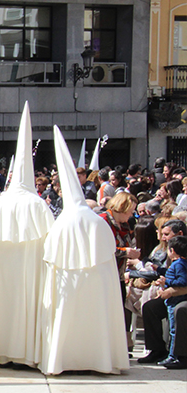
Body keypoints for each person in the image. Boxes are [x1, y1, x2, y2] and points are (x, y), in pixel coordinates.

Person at [39, 127, 129, 375]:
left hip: (67, 280)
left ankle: (62, 360)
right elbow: (109, 252)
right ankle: (100, 360)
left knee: (68, 321)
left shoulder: (61, 222)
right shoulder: (97, 220)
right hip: (97, 281)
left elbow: (49, 254)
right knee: (96, 320)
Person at [0, 103, 54, 368]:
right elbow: (51, 238)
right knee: (28, 307)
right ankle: (28, 353)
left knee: (4, 305)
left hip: (2, 266)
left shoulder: (0, 202)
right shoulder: (38, 204)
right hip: (31, 267)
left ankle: (3, 352)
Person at [100, 191, 140, 352]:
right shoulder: (103, 221)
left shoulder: (125, 224)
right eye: (130, 210)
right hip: (106, 273)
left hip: (120, 274)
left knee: (120, 309)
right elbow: (101, 247)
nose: (132, 214)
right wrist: (125, 252)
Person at [152, 235, 187, 368]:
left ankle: (173, 355)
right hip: (171, 299)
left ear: (172, 250)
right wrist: (159, 270)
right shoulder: (179, 264)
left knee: (173, 329)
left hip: (175, 300)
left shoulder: (179, 264)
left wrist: (167, 282)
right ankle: (160, 350)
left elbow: (183, 281)